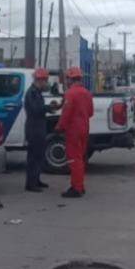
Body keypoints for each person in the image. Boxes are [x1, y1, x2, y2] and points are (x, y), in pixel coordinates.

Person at [56, 67, 95, 199]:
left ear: (70, 79)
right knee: (80, 158)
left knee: (74, 159)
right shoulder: (86, 93)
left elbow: (66, 113)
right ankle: (79, 185)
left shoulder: (70, 94)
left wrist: (59, 126)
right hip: (84, 128)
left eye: (67, 78)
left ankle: (76, 188)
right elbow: (90, 112)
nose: (66, 81)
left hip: (73, 130)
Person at [24, 68, 60, 193]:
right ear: (39, 80)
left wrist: (49, 108)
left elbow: (39, 108)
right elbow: (36, 109)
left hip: (38, 127)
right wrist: (48, 108)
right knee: (33, 157)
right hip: (34, 129)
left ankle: (36, 180)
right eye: (45, 80)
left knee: (39, 156)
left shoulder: (36, 92)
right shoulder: (32, 93)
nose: (47, 83)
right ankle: (31, 183)